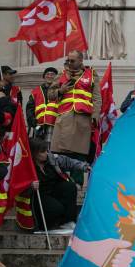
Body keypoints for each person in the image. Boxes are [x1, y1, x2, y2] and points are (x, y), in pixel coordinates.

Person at [49, 50, 101, 183]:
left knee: (78, 155)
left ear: (81, 61)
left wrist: (95, 114)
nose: (70, 63)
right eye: (68, 60)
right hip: (64, 118)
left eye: (73, 60)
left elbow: (97, 97)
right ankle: (61, 182)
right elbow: (50, 94)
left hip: (82, 120)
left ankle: (77, 186)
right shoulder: (61, 74)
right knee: (60, 154)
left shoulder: (92, 74)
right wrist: (60, 91)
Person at [30, 137, 90, 231]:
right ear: (34, 153)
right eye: (42, 152)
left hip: (54, 188)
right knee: (57, 208)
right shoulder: (28, 165)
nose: (46, 153)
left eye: (46, 150)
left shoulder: (51, 158)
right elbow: (20, 185)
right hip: (39, 194)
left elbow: (68, 161)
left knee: (70, 187)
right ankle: (46, 225)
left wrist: (84, 167)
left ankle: (68, 222)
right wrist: (31, 185)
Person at [26, 67, 59, 143]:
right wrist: (32, 121)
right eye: (47, 74)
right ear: (44, 76)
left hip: (54, 123)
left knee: (51, 147)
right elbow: (30, 108)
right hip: (38, 124)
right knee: (38, 147)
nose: (50, 76)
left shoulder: (60, 90)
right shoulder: (35, 91)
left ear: (56, 77)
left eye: (52, 74)